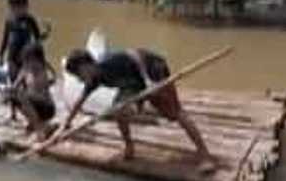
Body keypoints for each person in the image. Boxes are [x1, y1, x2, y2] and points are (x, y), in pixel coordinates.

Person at [63, 47, 217, 172]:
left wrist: (148, 81)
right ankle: (129, 147)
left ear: (86, 66)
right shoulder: (94, 79)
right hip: (132, 83)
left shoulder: (108, 61)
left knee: (175, 114)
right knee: (119, 110)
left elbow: (134, 54)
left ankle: (206, 155)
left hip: (152, 70)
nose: (79, 79)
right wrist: (67, 124)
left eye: (78, 74)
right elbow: (80, 101)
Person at [0, 0, 49, 83]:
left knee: (25, 81)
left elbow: (37, 39)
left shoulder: (30, 20)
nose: (16, 11)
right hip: (11, 56)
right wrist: (0, 55)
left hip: (25, 56)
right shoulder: (9, 20)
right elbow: (5, 38)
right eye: (12, 8)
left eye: (19, 7)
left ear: (26, 6)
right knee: (12, 80)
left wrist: (44, 35)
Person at [11, 43, 58, 137]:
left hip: (46, 107)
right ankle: (36, 123)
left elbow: (53, 77)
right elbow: (14, 87)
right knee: (13, 96)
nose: (30, 62)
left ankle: (39, 128)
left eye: (32, 59)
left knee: (22, 96)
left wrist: (49, 82)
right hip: (34, 106)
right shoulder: (25, 70)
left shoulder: (42, 69)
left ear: (38, 59)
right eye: (28, 59)